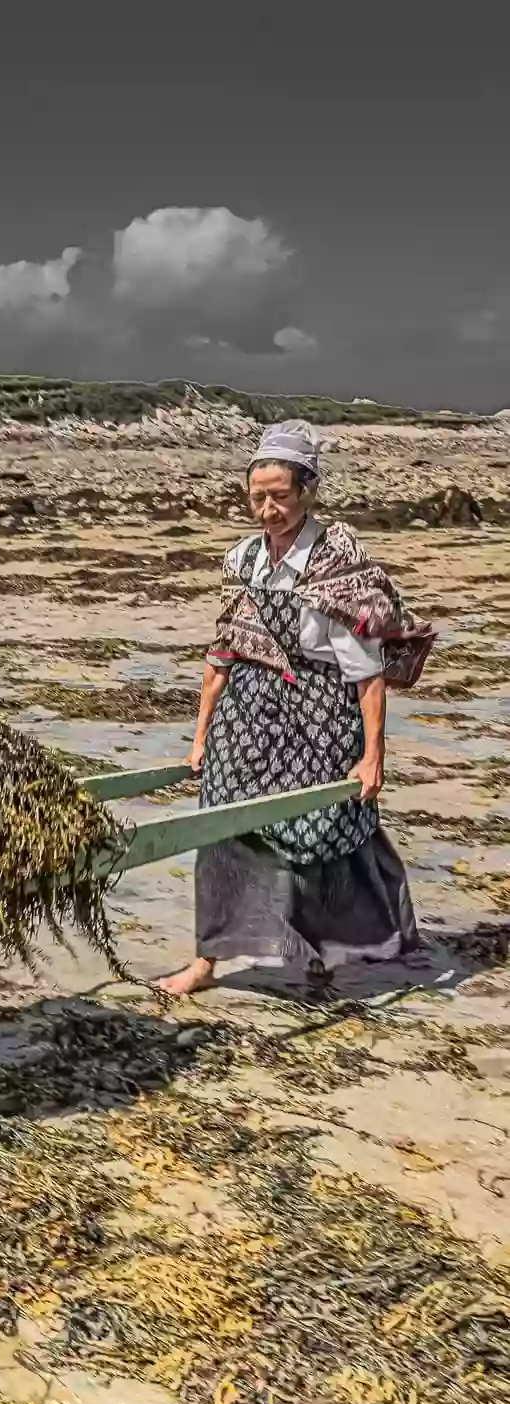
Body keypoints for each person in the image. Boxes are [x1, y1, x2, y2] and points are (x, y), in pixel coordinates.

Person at [156, 419, 435, 998]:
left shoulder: (338, 566)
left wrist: (371, 755)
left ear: (308, 491)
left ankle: (320, 955)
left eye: (279, 496)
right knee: (221, 826)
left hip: (321, 714)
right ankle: (207, 962)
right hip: (250, 711)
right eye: (257, 496)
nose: (267, 509)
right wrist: (201, 736)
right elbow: (222, 653)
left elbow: (366, 672)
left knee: (319, 832)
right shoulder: (242, 561)